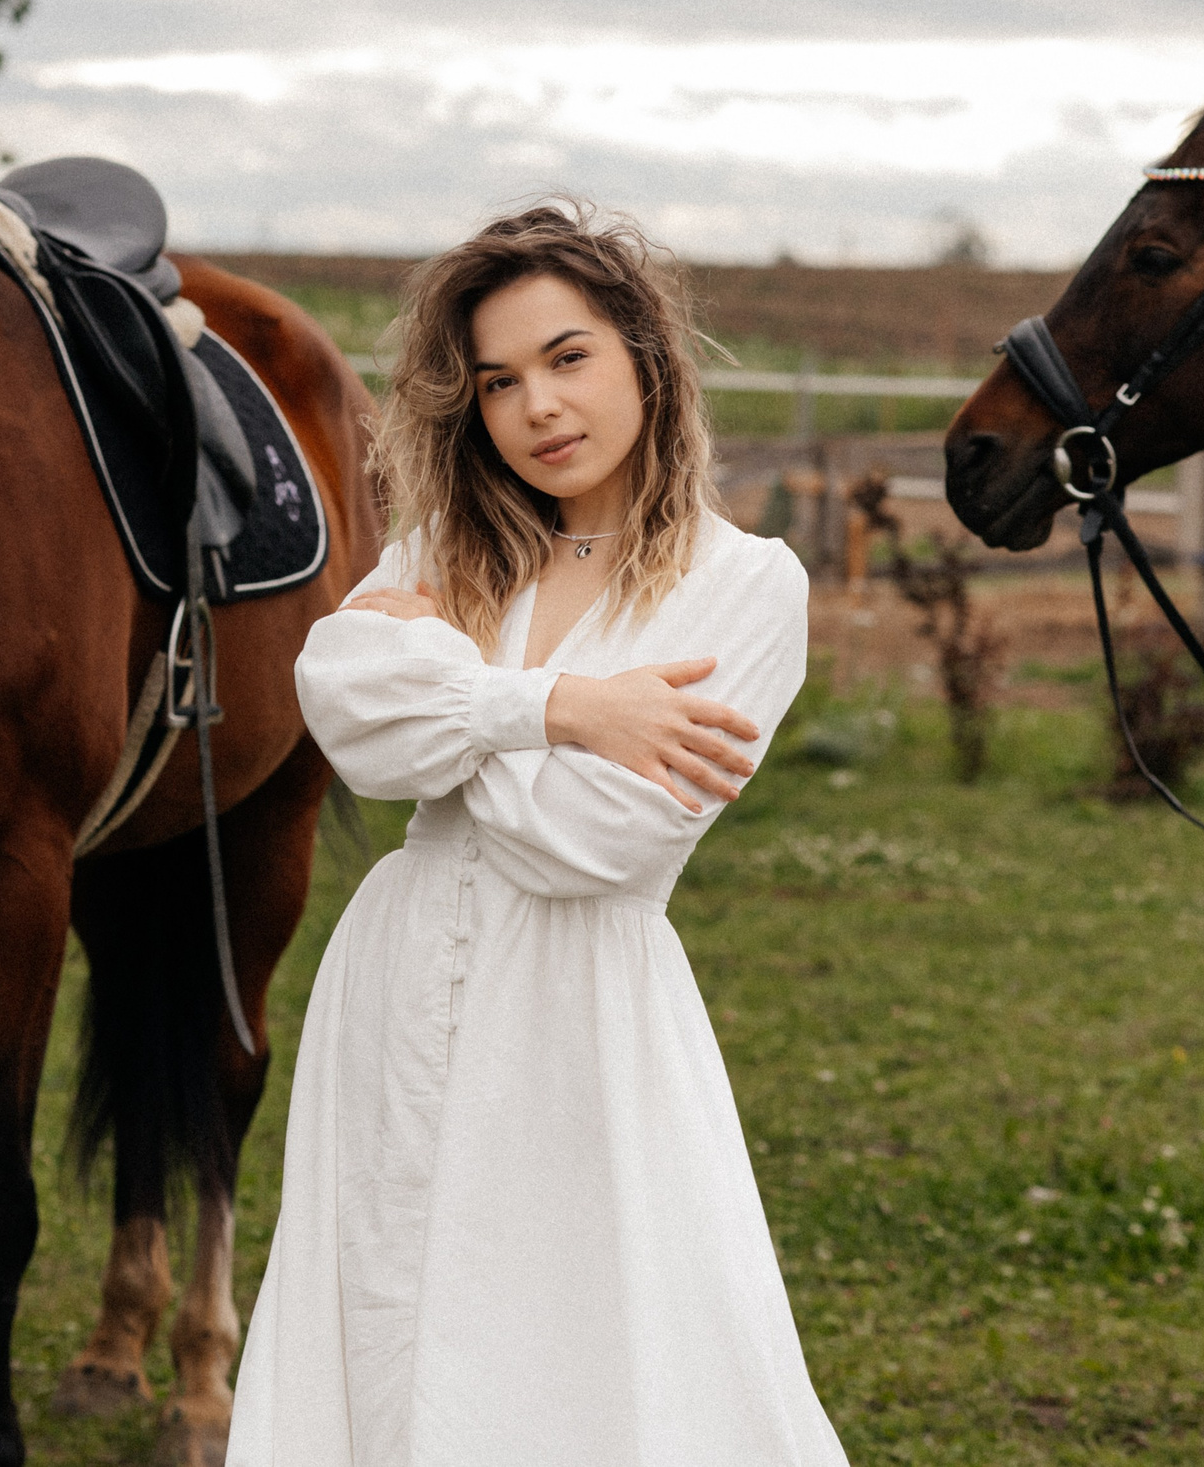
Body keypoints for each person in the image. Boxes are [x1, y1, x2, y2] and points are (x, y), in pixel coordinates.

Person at [226, 202, 846, 1467]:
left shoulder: (743, 584)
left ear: (645, 357)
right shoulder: (448, 544)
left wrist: (448, 706)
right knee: (389, 1305)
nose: (539, 409)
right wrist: (562, 706)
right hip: (395, 986)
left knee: (570, 1336)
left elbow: (594, 841)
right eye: (499, 382)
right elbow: (351, 725)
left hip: (577, 1007)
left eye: (569, 359)